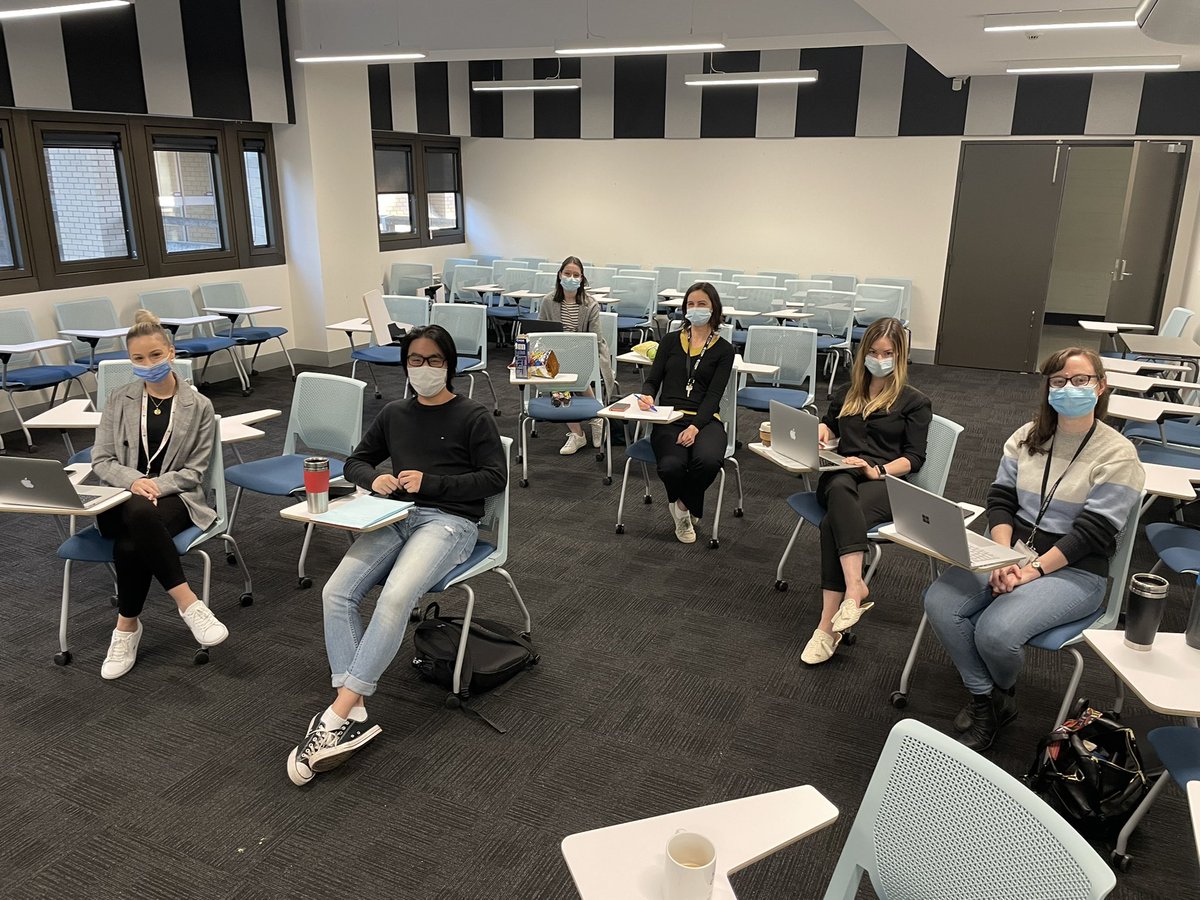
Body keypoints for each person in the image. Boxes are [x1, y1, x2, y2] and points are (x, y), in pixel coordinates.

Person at [288, 324, 506, 786]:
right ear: (405, 365)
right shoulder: (395, 413)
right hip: (395, 514)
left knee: (394, 599)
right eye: (415, 360)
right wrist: (373, 478)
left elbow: (494, 479)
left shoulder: (473, 416)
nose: (424, 369)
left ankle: (336, 714)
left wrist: (433, 483)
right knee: (336, 592)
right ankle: (355, 709)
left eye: (434, 360)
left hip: (450, 522)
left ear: (449, 364)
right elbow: (355, 461)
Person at [924, 347, 1143, 751]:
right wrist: (1001, 557)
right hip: (1013, 551)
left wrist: (1031, 571)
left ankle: (992, 695)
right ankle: (990, 699)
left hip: (1076, 569)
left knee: (995, 632)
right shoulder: (1026, 437)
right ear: (1048, 387)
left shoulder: (1118, 453)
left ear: (1100, 386)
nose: (1069, 387)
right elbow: (1001, 500)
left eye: (1081, 380)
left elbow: (1092, 533)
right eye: (1059, 381)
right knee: (939, 601)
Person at [91, 310, 229, 680]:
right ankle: (189, 603)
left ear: (171, 352)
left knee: (132, 540)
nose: (148, 364)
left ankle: (126, 628)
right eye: (138, 358)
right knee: (137, 512)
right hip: (121, 496)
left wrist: (155, 487)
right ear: (130, 360)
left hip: (175, 497)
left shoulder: (199, 405)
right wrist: (135, 481)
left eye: (155, 355)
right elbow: (101, 459)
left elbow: (194, 472)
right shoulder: (119, 399)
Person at [802, 317, 931, 665]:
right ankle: (854, 587)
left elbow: (915, 458)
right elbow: (830, 424)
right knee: (840, 486)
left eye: (888, 353)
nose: (880, 359)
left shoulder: (914, 401)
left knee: (833, 522)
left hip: (883, 480)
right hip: (841, 472)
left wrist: (878, 470)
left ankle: (827, 625)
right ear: (863, 353)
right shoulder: (847, 391)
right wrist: (824, 431)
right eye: (873, 352)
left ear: (900, 356)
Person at [637, 282, 735, 544]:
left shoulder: (725, 350)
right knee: (672, 465)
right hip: (669, 417)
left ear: (714, 308)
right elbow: (653, 380)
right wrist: (647, 394)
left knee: (708, 461)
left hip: (705, 420)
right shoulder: (670, 341)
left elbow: (714, 396)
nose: (695, 308)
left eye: (702, 304)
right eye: (690, 304)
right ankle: (689, 508)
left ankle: (681, 507)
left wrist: (695, 427)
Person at [536, 256, 613, 455]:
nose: (571, 278)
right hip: (556, 355)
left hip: (585, 353)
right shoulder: (548, 301)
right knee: (557, 377)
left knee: (568, 373)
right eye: (567, 273)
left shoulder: (590, 304)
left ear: (581, 279)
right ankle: (578, 432)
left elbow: (595, 339)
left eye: (576, 275)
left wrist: (573, 350)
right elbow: (540, 332)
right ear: (560, 275)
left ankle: (595, 419)